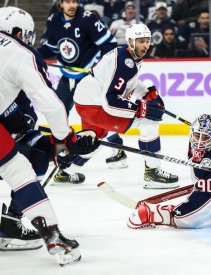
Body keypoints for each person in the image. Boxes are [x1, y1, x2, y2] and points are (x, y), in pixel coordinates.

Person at [0, 7, 99, 265]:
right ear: (20, 33)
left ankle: (9, 223)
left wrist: (51, 144)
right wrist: (65, 140)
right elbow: (53, 106)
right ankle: (53, 237)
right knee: (20, 171)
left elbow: (20, 124)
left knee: (37, 155)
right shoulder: (20, 53)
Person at [73, 23, 179, 189]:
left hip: (87, 99)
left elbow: (126, 83)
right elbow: (110, 101)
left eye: (147, 41)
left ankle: (66, 170)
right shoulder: (124, 62)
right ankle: (153, 171)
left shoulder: (128, 56)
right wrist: (140, 108)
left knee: (93, 139)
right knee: (148, 121)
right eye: (141, 41)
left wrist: (146, 93)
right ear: (131, 41)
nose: (145, 45)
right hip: (95, 104)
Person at [37, 0, 118, 184]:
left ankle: (116, 147)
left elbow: (109, 44)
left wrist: (102, 68)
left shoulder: (88, 19)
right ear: (61, 4)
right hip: (68, 75)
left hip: (87, 75)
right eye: (67, 1)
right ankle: (61, 155)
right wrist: (33, 55)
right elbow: (50, 48)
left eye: (74, 1)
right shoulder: (53, 20)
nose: (71, 5)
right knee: (58, 111)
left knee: (92, 119)